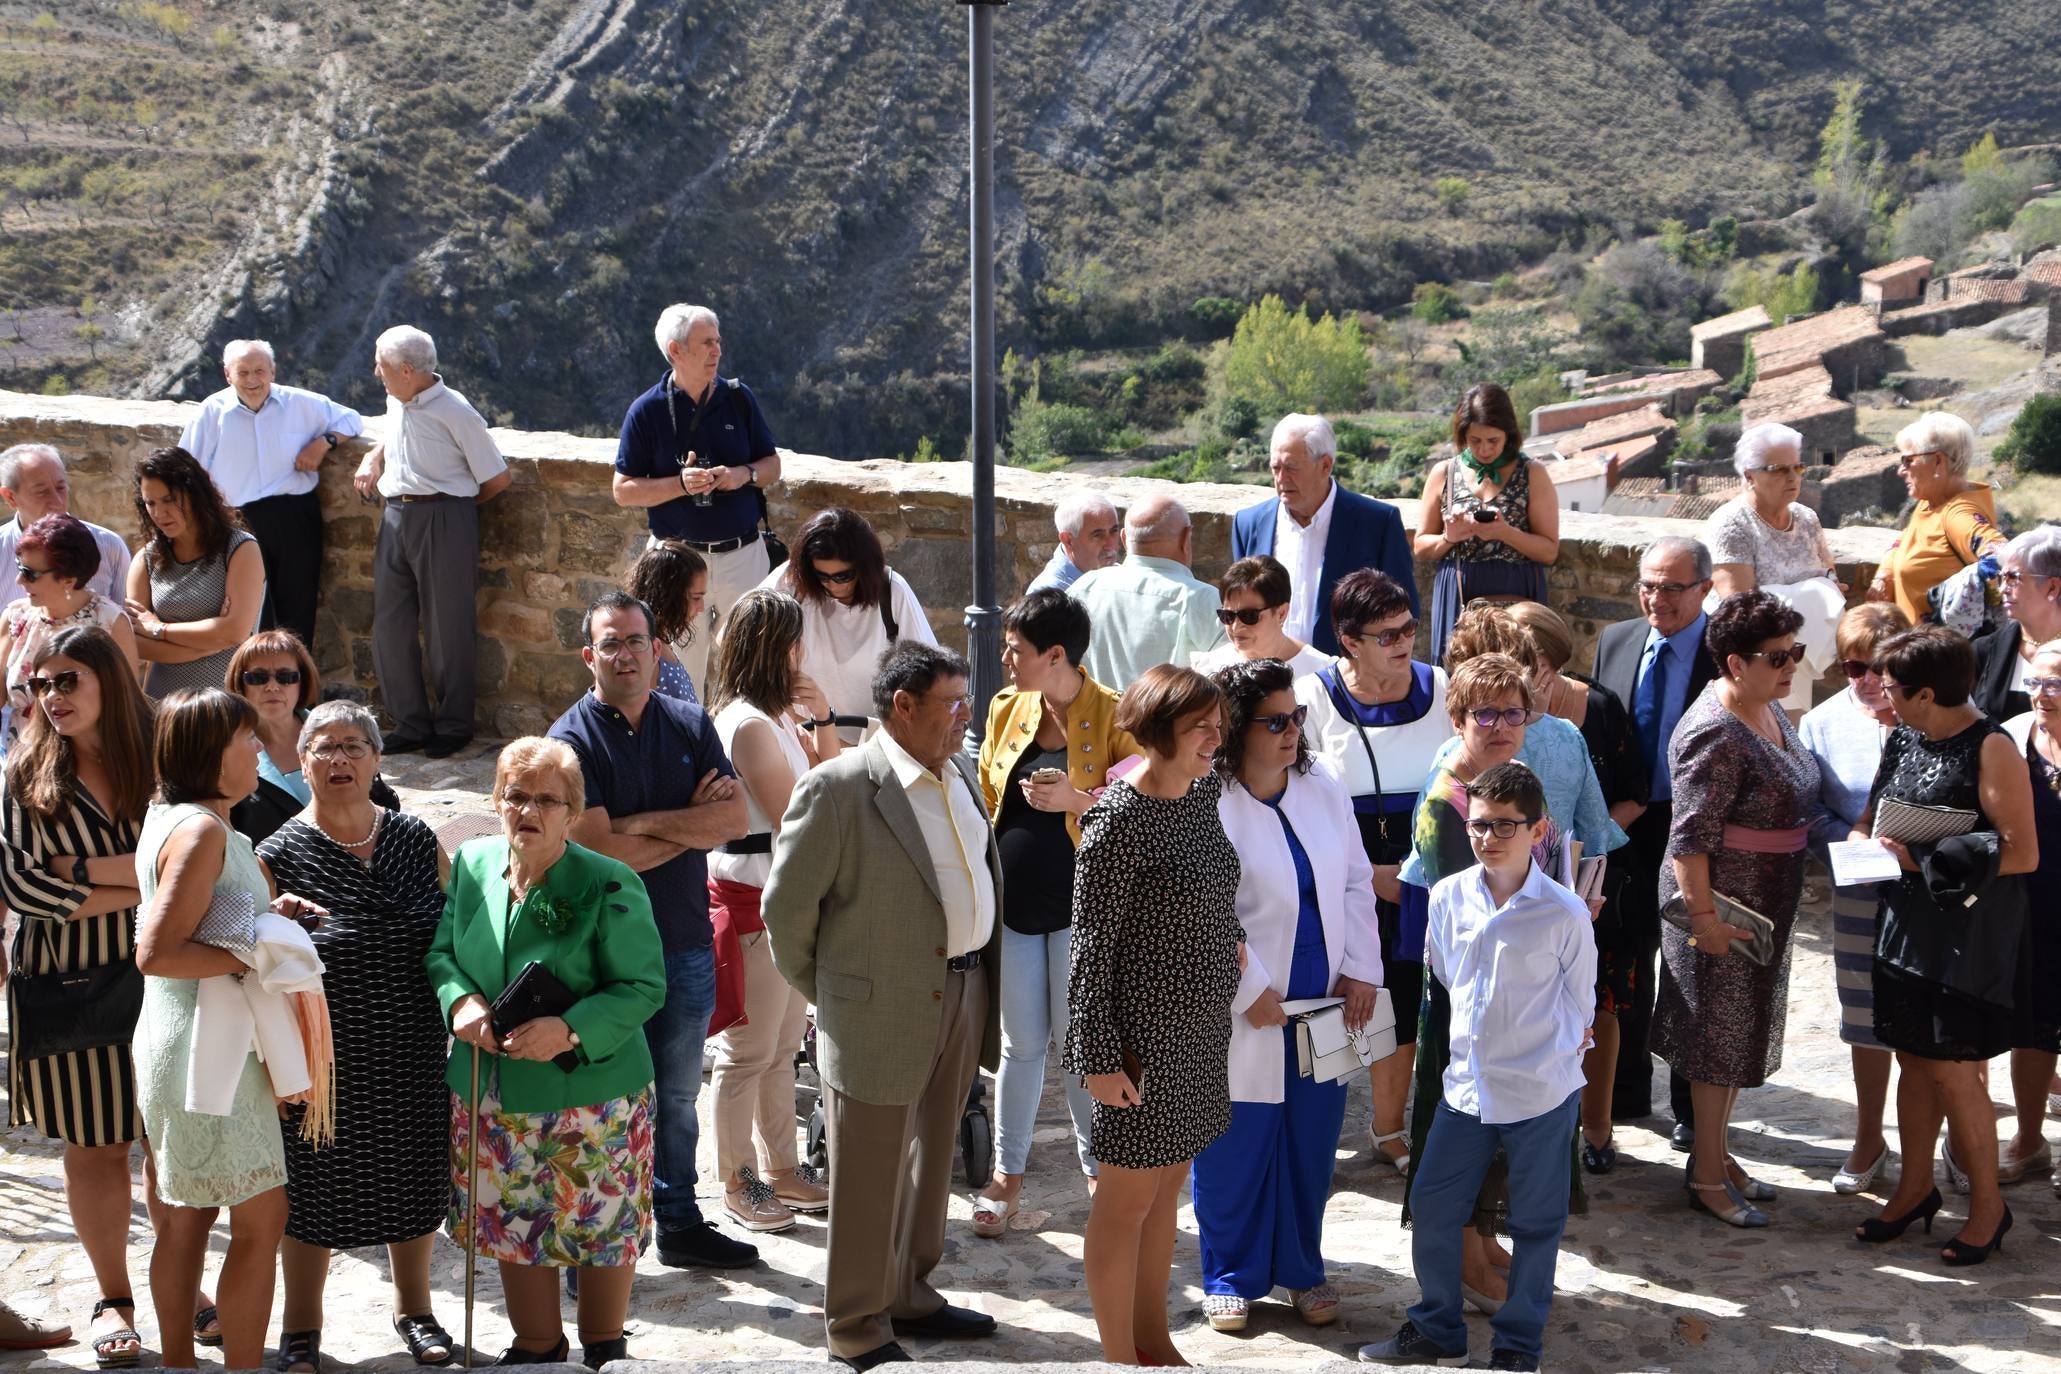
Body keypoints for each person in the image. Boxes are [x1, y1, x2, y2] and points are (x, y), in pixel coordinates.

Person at [762, 641, 1004, 1370]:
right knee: (868, 1175)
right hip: (875, 1009)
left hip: (962, 991)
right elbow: (786, 914)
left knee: (933, 1165)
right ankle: (857, 1325)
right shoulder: (838, 789)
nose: (966, 716)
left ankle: (911, 1294)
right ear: (902, 706)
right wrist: (836, 997)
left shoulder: (957, 770)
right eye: (952, 704)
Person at [426, 737, 666, 1366]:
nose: (528, 810)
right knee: (513, 1220)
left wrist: (570, 1028)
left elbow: (645, 986)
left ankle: (603, 1347)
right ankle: (536, 1345)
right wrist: (460, 1004)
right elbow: (443, 953)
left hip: (594, 1099)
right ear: (497, 803)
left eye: (546, 800)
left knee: (601, 1228)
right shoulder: (473, 864)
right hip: (493, 1088)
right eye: (515, 796)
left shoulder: (607, 880)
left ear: (571, 810)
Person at [1359, 762, 1594, 1374]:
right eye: (1479, 825)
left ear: (1538, 829)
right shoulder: (1447, 896)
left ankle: (1518, 1344)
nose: (1489, 838)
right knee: (1435, 1208)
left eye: (1505, 827)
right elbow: (1445, 977)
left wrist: (1547, 1058)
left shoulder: (1564, 913)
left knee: (1536, 1223)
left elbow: (1580, 1003)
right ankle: (1437, 1327)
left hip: (1541, 1091)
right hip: (1467, 1088)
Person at [550, 592, 753, 1269]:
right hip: (603, 961)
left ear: (657, 647)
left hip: (685, 943)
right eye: (611, 643)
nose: (625, 653)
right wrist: (677, 825)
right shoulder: (569, 741)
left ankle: (679, 1222)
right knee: (607, 1103)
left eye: (636, 640)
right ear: (590, 656)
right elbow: (599, 855)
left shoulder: (691, 723)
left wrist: (637, 823)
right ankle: (601, 1236)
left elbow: (731, 821)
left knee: (676, 1098)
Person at [132, 687, 327, 1373]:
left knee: (185, 1215)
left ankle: (181, 1366)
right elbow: (156, 951)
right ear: (210, 753)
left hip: (183, 1043)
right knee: (258, 1219)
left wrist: (271, 913)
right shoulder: (204, 830)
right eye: (245, 738)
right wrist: (260, 949)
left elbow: (208, 913)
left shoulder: (180, 819)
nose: (258, 747)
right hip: (208, 1049)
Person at [254, 701, 453, 1372]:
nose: (338, 760)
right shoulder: (276, 854)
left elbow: (453, 933)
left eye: (352, 747)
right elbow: (255, 964)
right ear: (302, 761)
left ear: (376, 759)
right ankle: (301, 1327)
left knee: (413, 1180)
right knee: (312, 1190)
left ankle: (414, 1308)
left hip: (412, 1045)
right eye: (323, 748)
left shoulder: (415, 838)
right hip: (322, 1057)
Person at [1396, 651, 1596, 1307]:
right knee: (1463, 1134)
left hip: (1517, 992)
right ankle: (1460, 1259)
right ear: (1456, 719)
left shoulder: (1507, 783)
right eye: (1484, 713)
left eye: (1513, 712)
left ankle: (1482, 1243)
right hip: (1468, 1007)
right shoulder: (1445, 805)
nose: (1501, 725)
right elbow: (1466, 922)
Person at [1195, 659, 1380, 1332]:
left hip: (1325, 996)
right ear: (1237, 729)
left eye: (1296, 716)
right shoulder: (1206, 801)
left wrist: (1360, 968)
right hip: (1243, 1008)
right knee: (1235, 1142)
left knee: (1309, 1140)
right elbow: (1203, 911)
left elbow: (1356, 880)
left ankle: (1302, 1268)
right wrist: (1246, 991)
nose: (1291, 732)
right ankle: (1228, 1273)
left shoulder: (1322, 783)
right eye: (1274, 721)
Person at [1064, 664, 1240, 1366]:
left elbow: (1217, 890)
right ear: (1160, 730)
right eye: (1200, 726)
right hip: (1141, 1045)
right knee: (1124, 1206)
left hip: (1198, 1035)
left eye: (1218, 723)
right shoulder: (1116, 820)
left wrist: (1232, 945)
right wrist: (1098, 1061)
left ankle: (1152, 1342)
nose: (1215, 737)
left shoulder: (1199, 798)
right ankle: (1117, 1357)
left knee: (1167, 1193)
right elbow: (1088, 951)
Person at [1854, 627, 2037, 1265]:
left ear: (1926, 692)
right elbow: (1877, 811)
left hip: (1963, 938)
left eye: (1893, 688)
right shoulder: (1903, 735)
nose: (1881, 697)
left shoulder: (1993, 749)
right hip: (1903, 924)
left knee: (1956, 1074)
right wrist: (1865, 846)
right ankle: (1914, 1188)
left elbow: (2021, 853)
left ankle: (1989, 1208)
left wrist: (1921, 856)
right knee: (1912, 1058)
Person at [1, 627, 158, 1369]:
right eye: (41, 684)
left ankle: (183, 1286)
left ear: (108, 682)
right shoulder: (22, 772)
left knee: (173, 1146)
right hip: (69, 986)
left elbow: (209, 844)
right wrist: (147, 878)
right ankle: (113, 1299)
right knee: (95, 1146)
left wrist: (83, 869)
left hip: (171, 975)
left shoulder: (162, 755)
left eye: (68, 680)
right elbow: (25, 888)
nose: (52, 696)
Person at [971, 589, 1140, 1236]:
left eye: (1015, 649)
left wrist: (1077, 798)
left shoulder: (1116, 712)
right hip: (1015, 905)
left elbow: (1141, 809)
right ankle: (1005, 1178)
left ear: (1056, 654)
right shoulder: (1005, 708)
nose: (1005, 659)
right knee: (1018, 1048)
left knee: (1079, 1047)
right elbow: (989, 791)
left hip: (1084, 912)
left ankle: (1097, 1169)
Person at [1655, 591, 1820, 1228]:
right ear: (1732, 663)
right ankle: (1705, 1175)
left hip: (1763, 907)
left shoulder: (1764, 705)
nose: (1791, 666)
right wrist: (1704, 923)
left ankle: (1717, 1153)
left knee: (1737, 1038)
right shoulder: (1713, 733)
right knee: (1716, 1045)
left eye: (1795, 652)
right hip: (1723, 911)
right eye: (1777, 656)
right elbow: (1688, 840)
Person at [1295, 569, 1451, 1174]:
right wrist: (1365, 873)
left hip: (1420, 878)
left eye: (1409, 627)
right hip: (1340, 877)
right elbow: (1296, 797)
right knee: (1332, 1001)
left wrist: (1410, 872)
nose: (1403, 640)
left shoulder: (1440, 689)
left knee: (1403, 1002)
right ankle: (1317, 1133)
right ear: (1349, 640)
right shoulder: (1308, 699)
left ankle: (1389, 1129)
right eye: (1386, 633)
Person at [703, 589, 839, 1233]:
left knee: (783, 1048)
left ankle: (782, 1168)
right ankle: (735, 1178)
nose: (802, 652)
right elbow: (801, 814)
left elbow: (825, 781)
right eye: (795, 641)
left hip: (780, 900)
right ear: (775, 649)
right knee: (747, 1052)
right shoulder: (749, 725)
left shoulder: (774, 716)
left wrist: (822, 721)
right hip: (752, 903)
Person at [1505, 600, 1648, 1172]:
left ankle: (1597, 1127)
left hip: (1591, 880)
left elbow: (1635, 792)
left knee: (1598, 1006)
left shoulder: (1596, 711)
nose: (1524, 670)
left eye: (1532, 660)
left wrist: (1583, 857)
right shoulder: (1502, 717)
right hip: (1522, 882)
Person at [1592, 535, 1718, 1143]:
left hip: (1700, 828)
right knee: (1626, 952)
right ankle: (1627, 1092)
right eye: (1647, 583)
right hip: (1630, 824)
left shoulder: (1727, 652)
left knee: (1693, 964)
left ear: (1705, 588)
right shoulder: (1617, 640)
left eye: (1672, 586)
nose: (1656, 597)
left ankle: (1693, 1112)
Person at [351, 324, 512, 759]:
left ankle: (454, 725)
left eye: (381, 365)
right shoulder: (398, 396)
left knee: (447, 626)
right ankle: (410, 722)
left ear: (406, 369)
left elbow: (496, 478)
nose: (375, 372)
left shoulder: (455, 411)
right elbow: (396, 429)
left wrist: (452, 509)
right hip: (396, 514)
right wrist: (372, 455)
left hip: (444, 516)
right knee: (390, 622)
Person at [1798, 604, 1910, 1195]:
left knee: (1931, 1019)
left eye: (1878, 666)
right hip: (1860, 886)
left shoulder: (1933, 715)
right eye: (1852, 666)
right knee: (1864, 1019)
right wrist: (1851, 838)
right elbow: (1807, 807)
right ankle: (1870, 1138)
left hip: (1929, 891)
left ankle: (1943, 1145)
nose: (1865, 679)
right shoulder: (1820, 724)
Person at [611, 304, 781, 688]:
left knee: (750, 667)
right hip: (677, 564)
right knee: (678, 672)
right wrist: (681, 484)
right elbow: (622, 491)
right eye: (707, 343)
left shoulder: (739, 399)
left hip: (743, 556)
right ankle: (687, 746)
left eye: (718, 341)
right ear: (676, 350)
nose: (717, 351)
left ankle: (741, 746)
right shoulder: (647, 411)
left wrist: (742, 475)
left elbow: (772, 465)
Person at [178, 339, 364, 648]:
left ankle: (296, 689)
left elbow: (351, 419)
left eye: (260, 371)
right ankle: (248, 687)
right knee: (248, 611)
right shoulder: (212, 413)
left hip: (295, 514)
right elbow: (185, 467)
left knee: (298, 611)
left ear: (273, 371)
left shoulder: (301, 403)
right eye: (243, 372)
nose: (252, 380)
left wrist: (322, 443)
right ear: (228, 374)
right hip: (240, 521)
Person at [1230, 413, 1418, 655]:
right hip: (1266, 676)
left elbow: (1403, 612)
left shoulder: (1377, 523)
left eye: (1291, 468)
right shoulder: (1248, 524)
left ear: (1325, 466)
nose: (1280, 479)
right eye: (1275, 468)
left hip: (1344, 679)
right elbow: (1239, 606)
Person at [757, 507, 936, 742]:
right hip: (807, 739)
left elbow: (929, 673)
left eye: (843, 576)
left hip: (874, 744)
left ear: (864, 567)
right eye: (822, 577)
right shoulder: (794, 582)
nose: (832, 585)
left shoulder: (892, 591)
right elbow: (735, 635)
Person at [1414, 384, 1560, 667]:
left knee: (1514, 676)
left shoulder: (1532, 474)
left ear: (1509, 435)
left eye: (1493, 440)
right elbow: (1421, 547)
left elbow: (1549, 551)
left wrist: (1506, 533)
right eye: (1475, 440)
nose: (1484, 449)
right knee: (1458, 678)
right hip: (1457, 592)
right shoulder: (1445, 472)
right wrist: (1449, 538)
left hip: (1516, 591)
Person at [1705, 422, 1841, 712]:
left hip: (1795, 658)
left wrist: (1827, 587)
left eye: (1797, 468)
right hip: (1752, 665)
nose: (1793, 478)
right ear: (1749, 476)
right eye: (1779, 469)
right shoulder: (1731, 525)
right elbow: (1738, 607)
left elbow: (1830, 575)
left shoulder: (1806, 519)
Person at [224, 630, 401, 846]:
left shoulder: (343, 731)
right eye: (258, 677)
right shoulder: (228, 750)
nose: (272, 686)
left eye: (286, 677)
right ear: (240, 683)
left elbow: (381, 804)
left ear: (302, 682)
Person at [124, 447, 266, 701]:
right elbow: (134, 642)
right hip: (163, 703)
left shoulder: (239, 548)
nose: (158, 513)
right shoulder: (146, 559)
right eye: (150, 503)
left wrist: (160, 629)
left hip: (224, 702)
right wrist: (208, 643)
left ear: (195, 494)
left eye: (169, 500)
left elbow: (235, 631)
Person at [2001, 642, 2061, 1198]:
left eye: (2056, 684)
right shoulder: (2015, 736)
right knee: (2033, 1028)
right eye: (2036, 681)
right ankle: (2028, 1137)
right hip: (2031, 905)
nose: (2042, 694)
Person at [4, 513, 139, 746]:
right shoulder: (15, 618)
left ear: (68, 579)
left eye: (29, 573)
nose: (18, 580)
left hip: (88, 762)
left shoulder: (110, 623)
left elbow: (127, 705)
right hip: (22, 760)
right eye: (19, 567)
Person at [1866, 411, 2007, 626]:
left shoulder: (1958, 514)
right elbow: (1905, 539)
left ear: (1938, 461)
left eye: (1908, 460)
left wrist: (1957, 614)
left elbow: (2004, 559)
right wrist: (1885, 572)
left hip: (1940, 653)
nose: (1901, 471)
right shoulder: (1931, 502)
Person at [1073, 495, 1225, 690]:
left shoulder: (1082, 588)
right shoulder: (1205, 600)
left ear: (1125, 538)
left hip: (1092, 719)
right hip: (1166, 719)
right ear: (1186, 538)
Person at [0, 442, 131, 607]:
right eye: (42, 492)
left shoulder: (109, 546)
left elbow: (127, 621)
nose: (57, 502)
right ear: (10, 497)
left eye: (60, 488)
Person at [1973, 524, 2061, 723]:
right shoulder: (1984, 651)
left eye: (2013, 578)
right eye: (2001, 578)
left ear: (2052, 587)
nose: (2003, 588)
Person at [1192, 555, 1332, 679]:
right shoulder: (1210, 670)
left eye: (1249, 615)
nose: (1235, 626)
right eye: (1228, 616)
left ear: (1281, 613)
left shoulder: (1322, 672)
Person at [625, 539, 710, 704]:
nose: (701, 607)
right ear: (668, 596)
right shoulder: (644, 654)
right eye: (696, 597)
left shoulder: (659, 641)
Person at [1028, 489, 1124, 593]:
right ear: (1068, 540)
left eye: (1114, 531)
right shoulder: (1049, 597)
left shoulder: (1117, 574)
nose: (1110, 545)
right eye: (1098, 535)